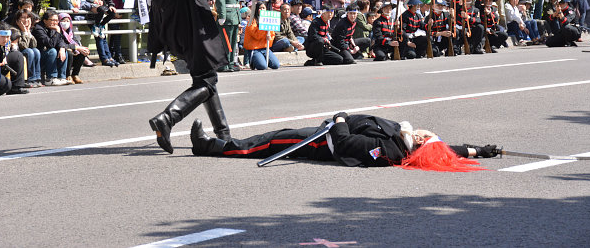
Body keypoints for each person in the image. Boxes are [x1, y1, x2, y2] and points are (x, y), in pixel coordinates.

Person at [113, 0, 240, 154]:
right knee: (207, 80)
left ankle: (224, 135)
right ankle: (168, 118)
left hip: (178, 21)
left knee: (205, 78)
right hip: (188, 24)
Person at [189, 113, 499, 170]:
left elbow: (348, 147)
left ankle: (210, 146)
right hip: (325, 131)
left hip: (323, 143)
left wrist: (338, 121)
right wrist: (478, 150)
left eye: (425, 137)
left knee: (267, 143)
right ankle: (219, 143)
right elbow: (446, 151)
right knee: (273, 137)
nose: (423, 133)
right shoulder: (403, 137)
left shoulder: (389, 150)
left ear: (419, 146)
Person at [32, 10, 69, 86]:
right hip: (39, 56)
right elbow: (50, 44)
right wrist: (58, 32)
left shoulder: (53, 28)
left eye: (56, 20)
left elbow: (61, 41)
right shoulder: (38, 28)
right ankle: (51, 78)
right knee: (52, 51)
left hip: (48, 54)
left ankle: (62, 77)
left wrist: (62, 48)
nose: (55, 22)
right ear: (45, 21)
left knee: (63, 51)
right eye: (53, 20)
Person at [243, 1, 279, 70]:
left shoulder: (269, 19)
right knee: (262, 67)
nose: (262, 10)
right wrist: (264, 30)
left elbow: (272, 34)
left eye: (263, 8)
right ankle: (253, 61)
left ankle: (261, 59)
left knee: (276, 65)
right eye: (260, 8)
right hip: (255, 48)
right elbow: (256, 36)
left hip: (265, 47)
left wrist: (270, 38)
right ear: (256, 9)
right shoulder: (252, 20)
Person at [58, 13, 90, 84]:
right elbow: (61, 44)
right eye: (63, 21)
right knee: (69, 53)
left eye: (67, 21)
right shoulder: (58, 31)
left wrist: (80, 48)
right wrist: (75, 48)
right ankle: (67, 75)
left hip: (72, 51)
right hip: (62, 53)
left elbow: (75, 42)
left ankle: (75, 74)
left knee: (83, 51)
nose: (66, 23)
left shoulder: (70, 32)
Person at [14, 9, 42, 88]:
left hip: (28, 51)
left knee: (36, 51)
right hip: (17, 53)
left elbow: (34, 45)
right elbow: (24, 46)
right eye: (23, 18)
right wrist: (24, 32)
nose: (26, 20)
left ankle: (36, 78)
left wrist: (28, 32)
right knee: (29, 51)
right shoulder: (15, 30)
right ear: (18, 20)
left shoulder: (29, 29)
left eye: (28, 18)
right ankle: (29, 78)